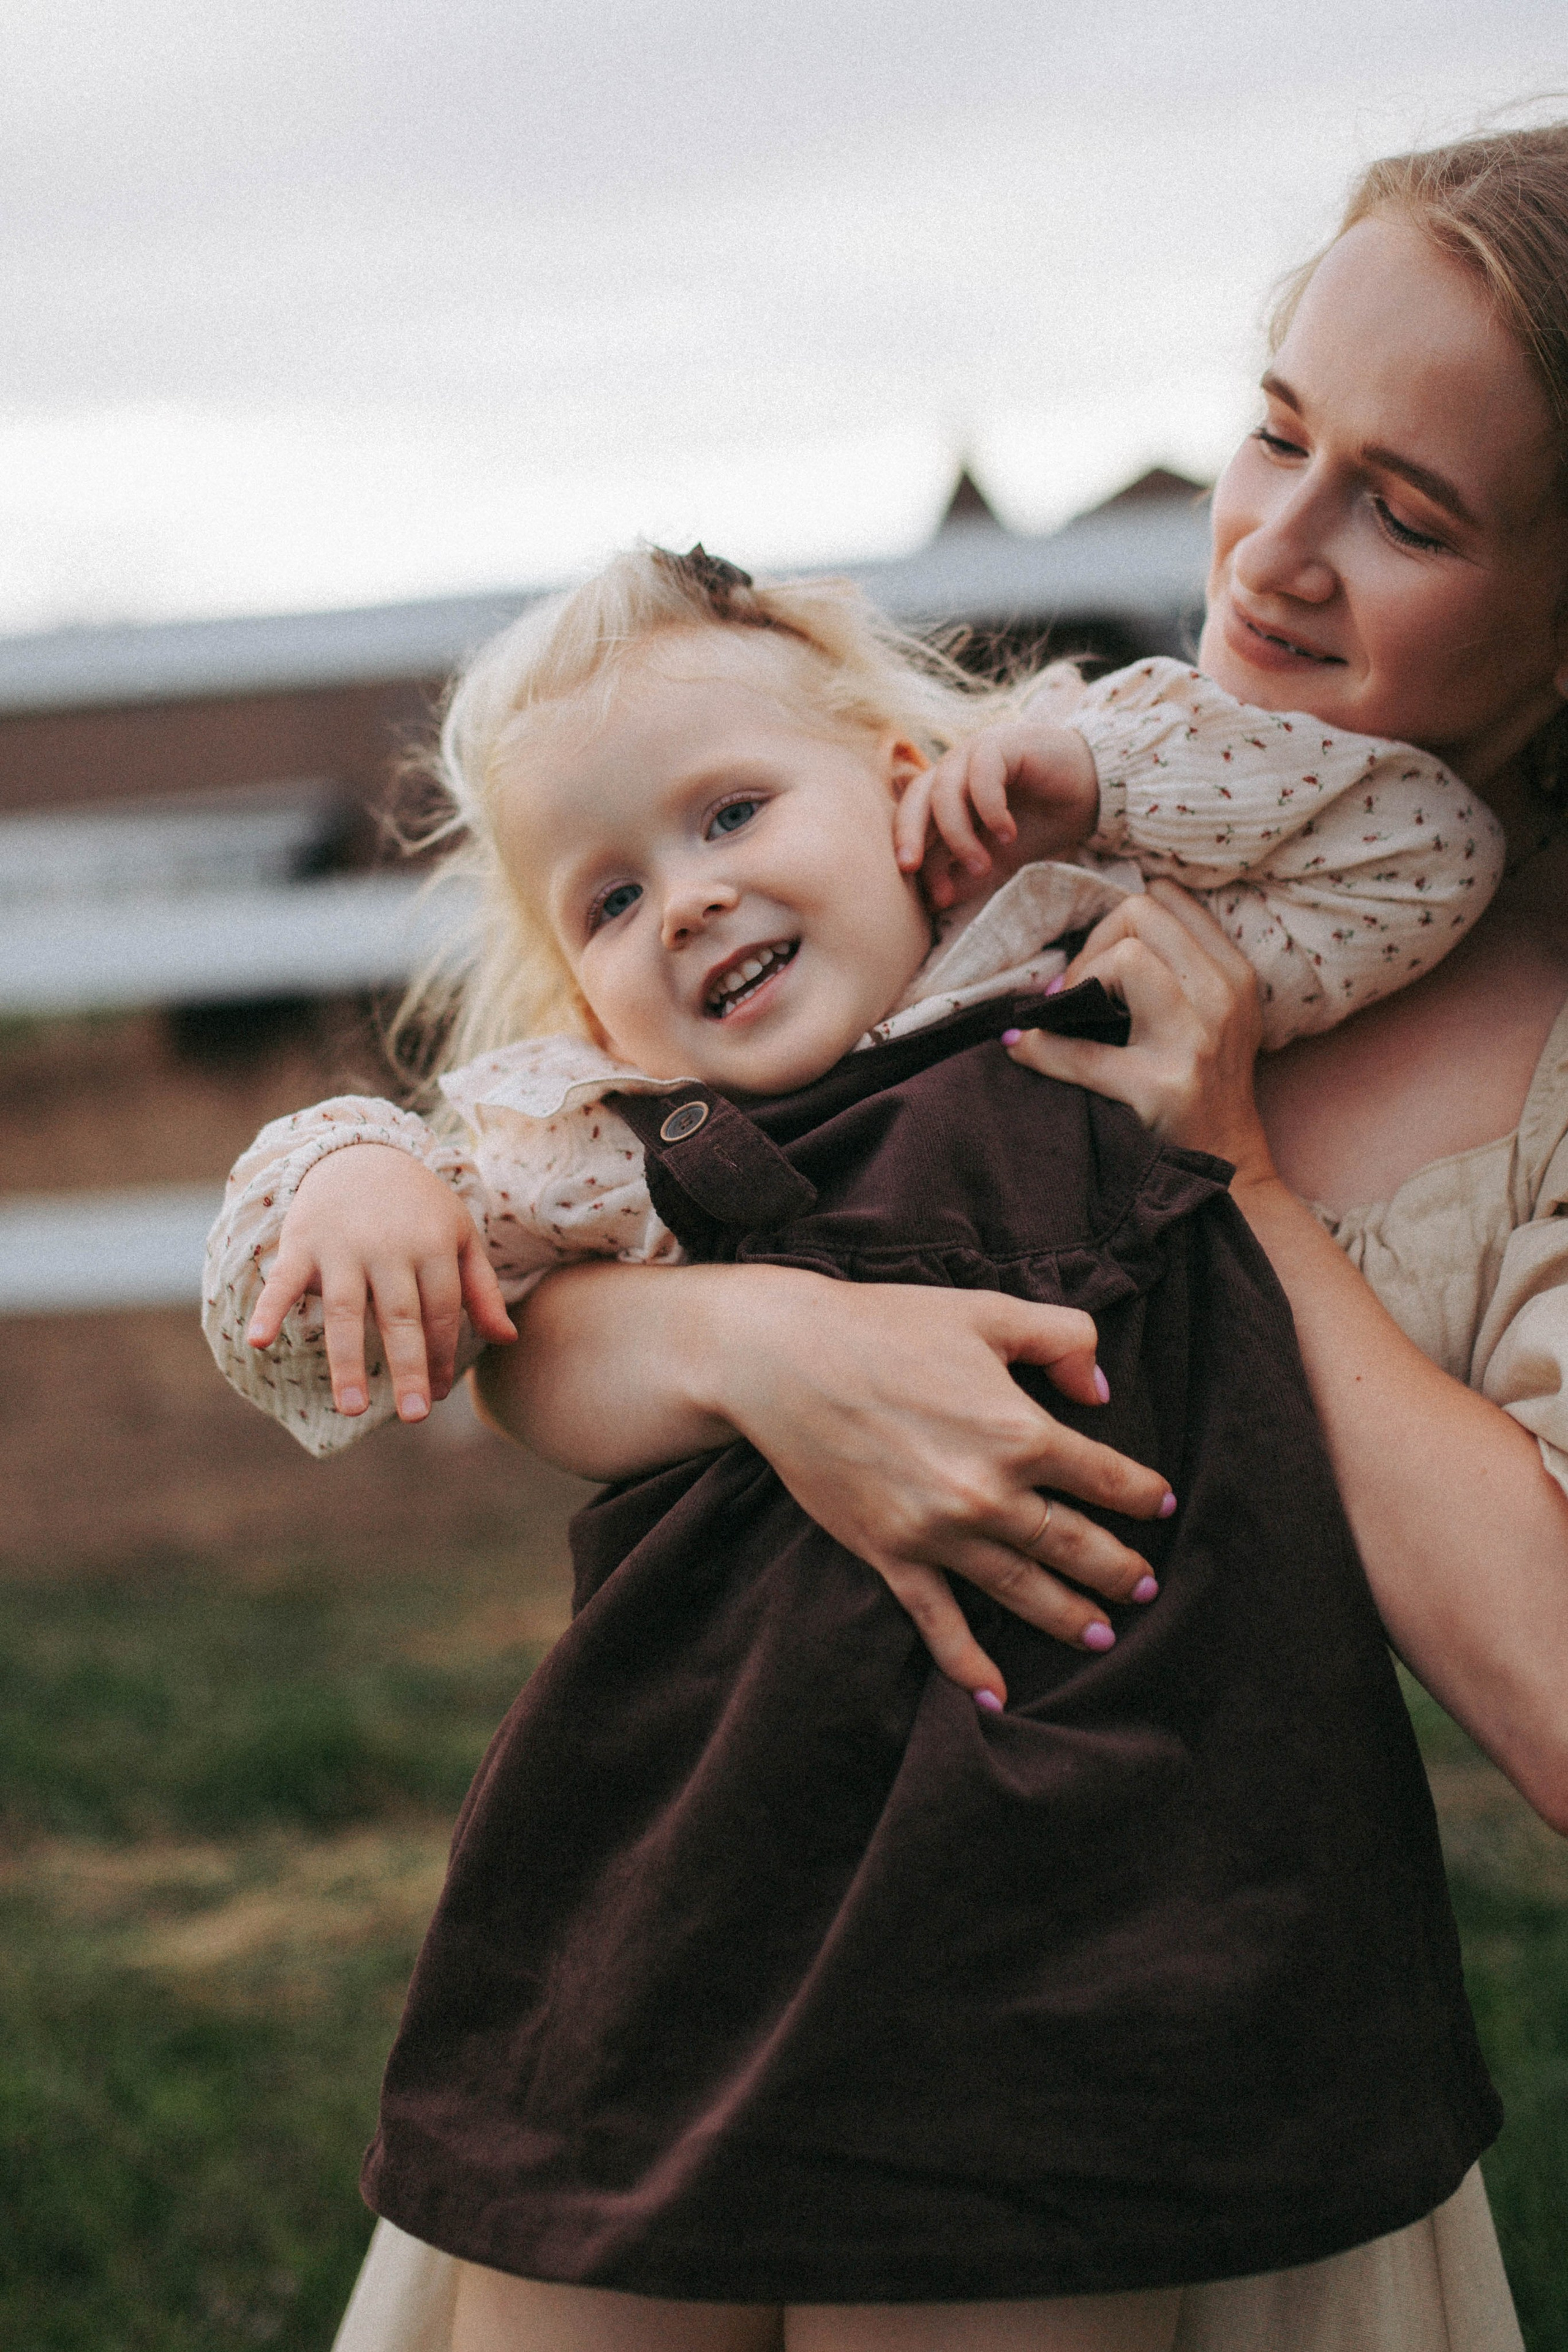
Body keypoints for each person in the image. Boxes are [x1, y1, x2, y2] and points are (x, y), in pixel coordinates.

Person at [414, 123, 1568, 2350]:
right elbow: (544, 1298)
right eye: (1274, 431)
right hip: (701, 1938)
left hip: (1107, 2001)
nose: (1274, 554)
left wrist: (1227, 1164)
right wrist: (772, 1360)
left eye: (1409, 513)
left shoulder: (1454, 985)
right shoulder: (979, 843)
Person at [205, 533, 1504, 2340]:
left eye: (731, 814)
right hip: (698, 1878)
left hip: (1094, 1915)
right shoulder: (615, 1134)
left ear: (911, 791)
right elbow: (299, 1351)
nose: (684, 901)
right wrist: (346, 1170)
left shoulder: (1110, 970)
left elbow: (1419, 851)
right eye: (606, 898)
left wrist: (1085, 771)